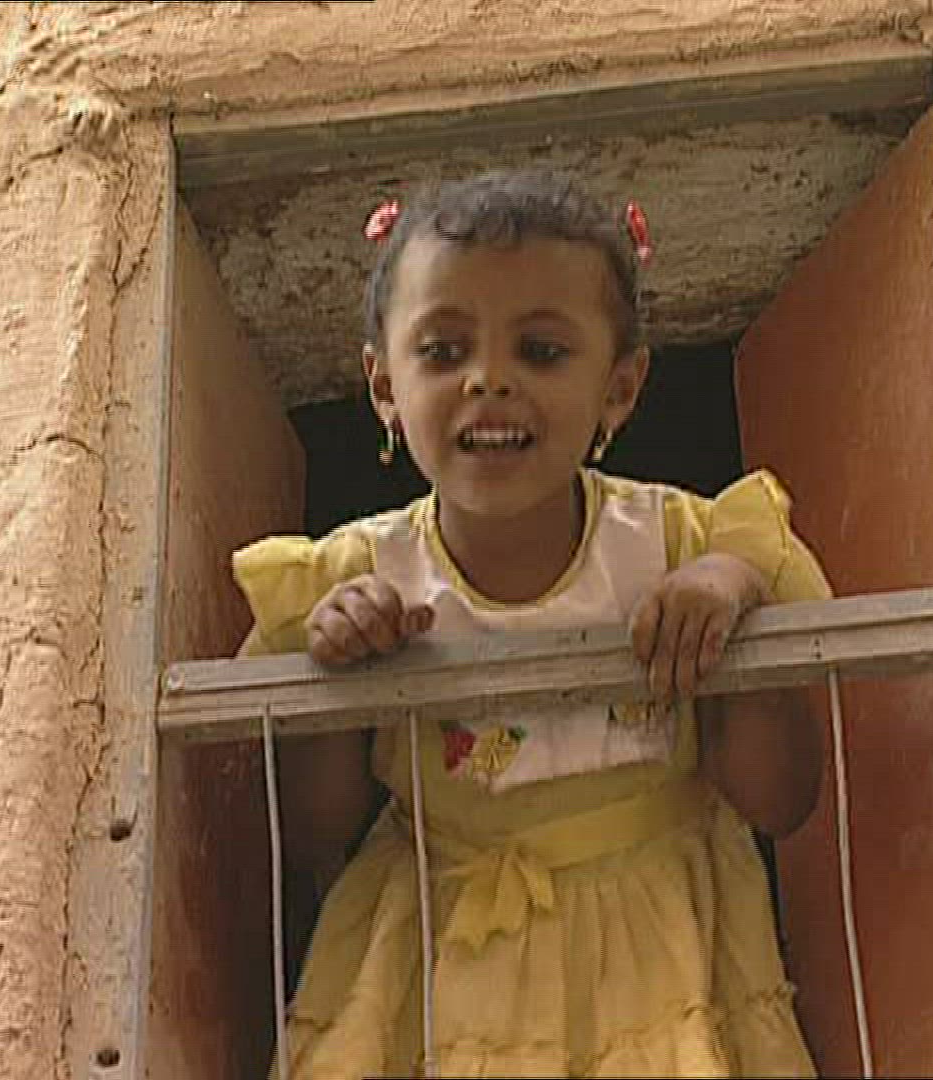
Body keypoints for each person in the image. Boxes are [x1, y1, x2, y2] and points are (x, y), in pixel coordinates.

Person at [233, 169, 832, 1078]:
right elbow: (314, 834)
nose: (489, 381)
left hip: (660, 954)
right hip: (435, 965)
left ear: (620, 388)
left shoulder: (686, 544)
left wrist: (732, 593)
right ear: (384, 386)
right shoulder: (358, 576)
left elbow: (781, 801)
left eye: (542, 352)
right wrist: (336, 671)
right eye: (443, 351)